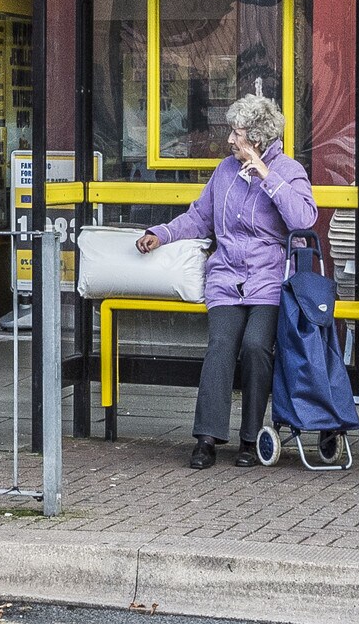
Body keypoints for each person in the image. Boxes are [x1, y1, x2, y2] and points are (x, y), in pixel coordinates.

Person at [136, 92, 317, 469]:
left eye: (237, 134)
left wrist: (266, 176)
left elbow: (304, 219)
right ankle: (206, 438)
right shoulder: (224, 172)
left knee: (255, 347)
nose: (230, 140)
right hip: (226, 276)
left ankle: (250, 439)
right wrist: (162, 233)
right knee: (220, 345)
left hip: (268, 279)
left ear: (258, 138)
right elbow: (199, 217)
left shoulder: (288, 170)